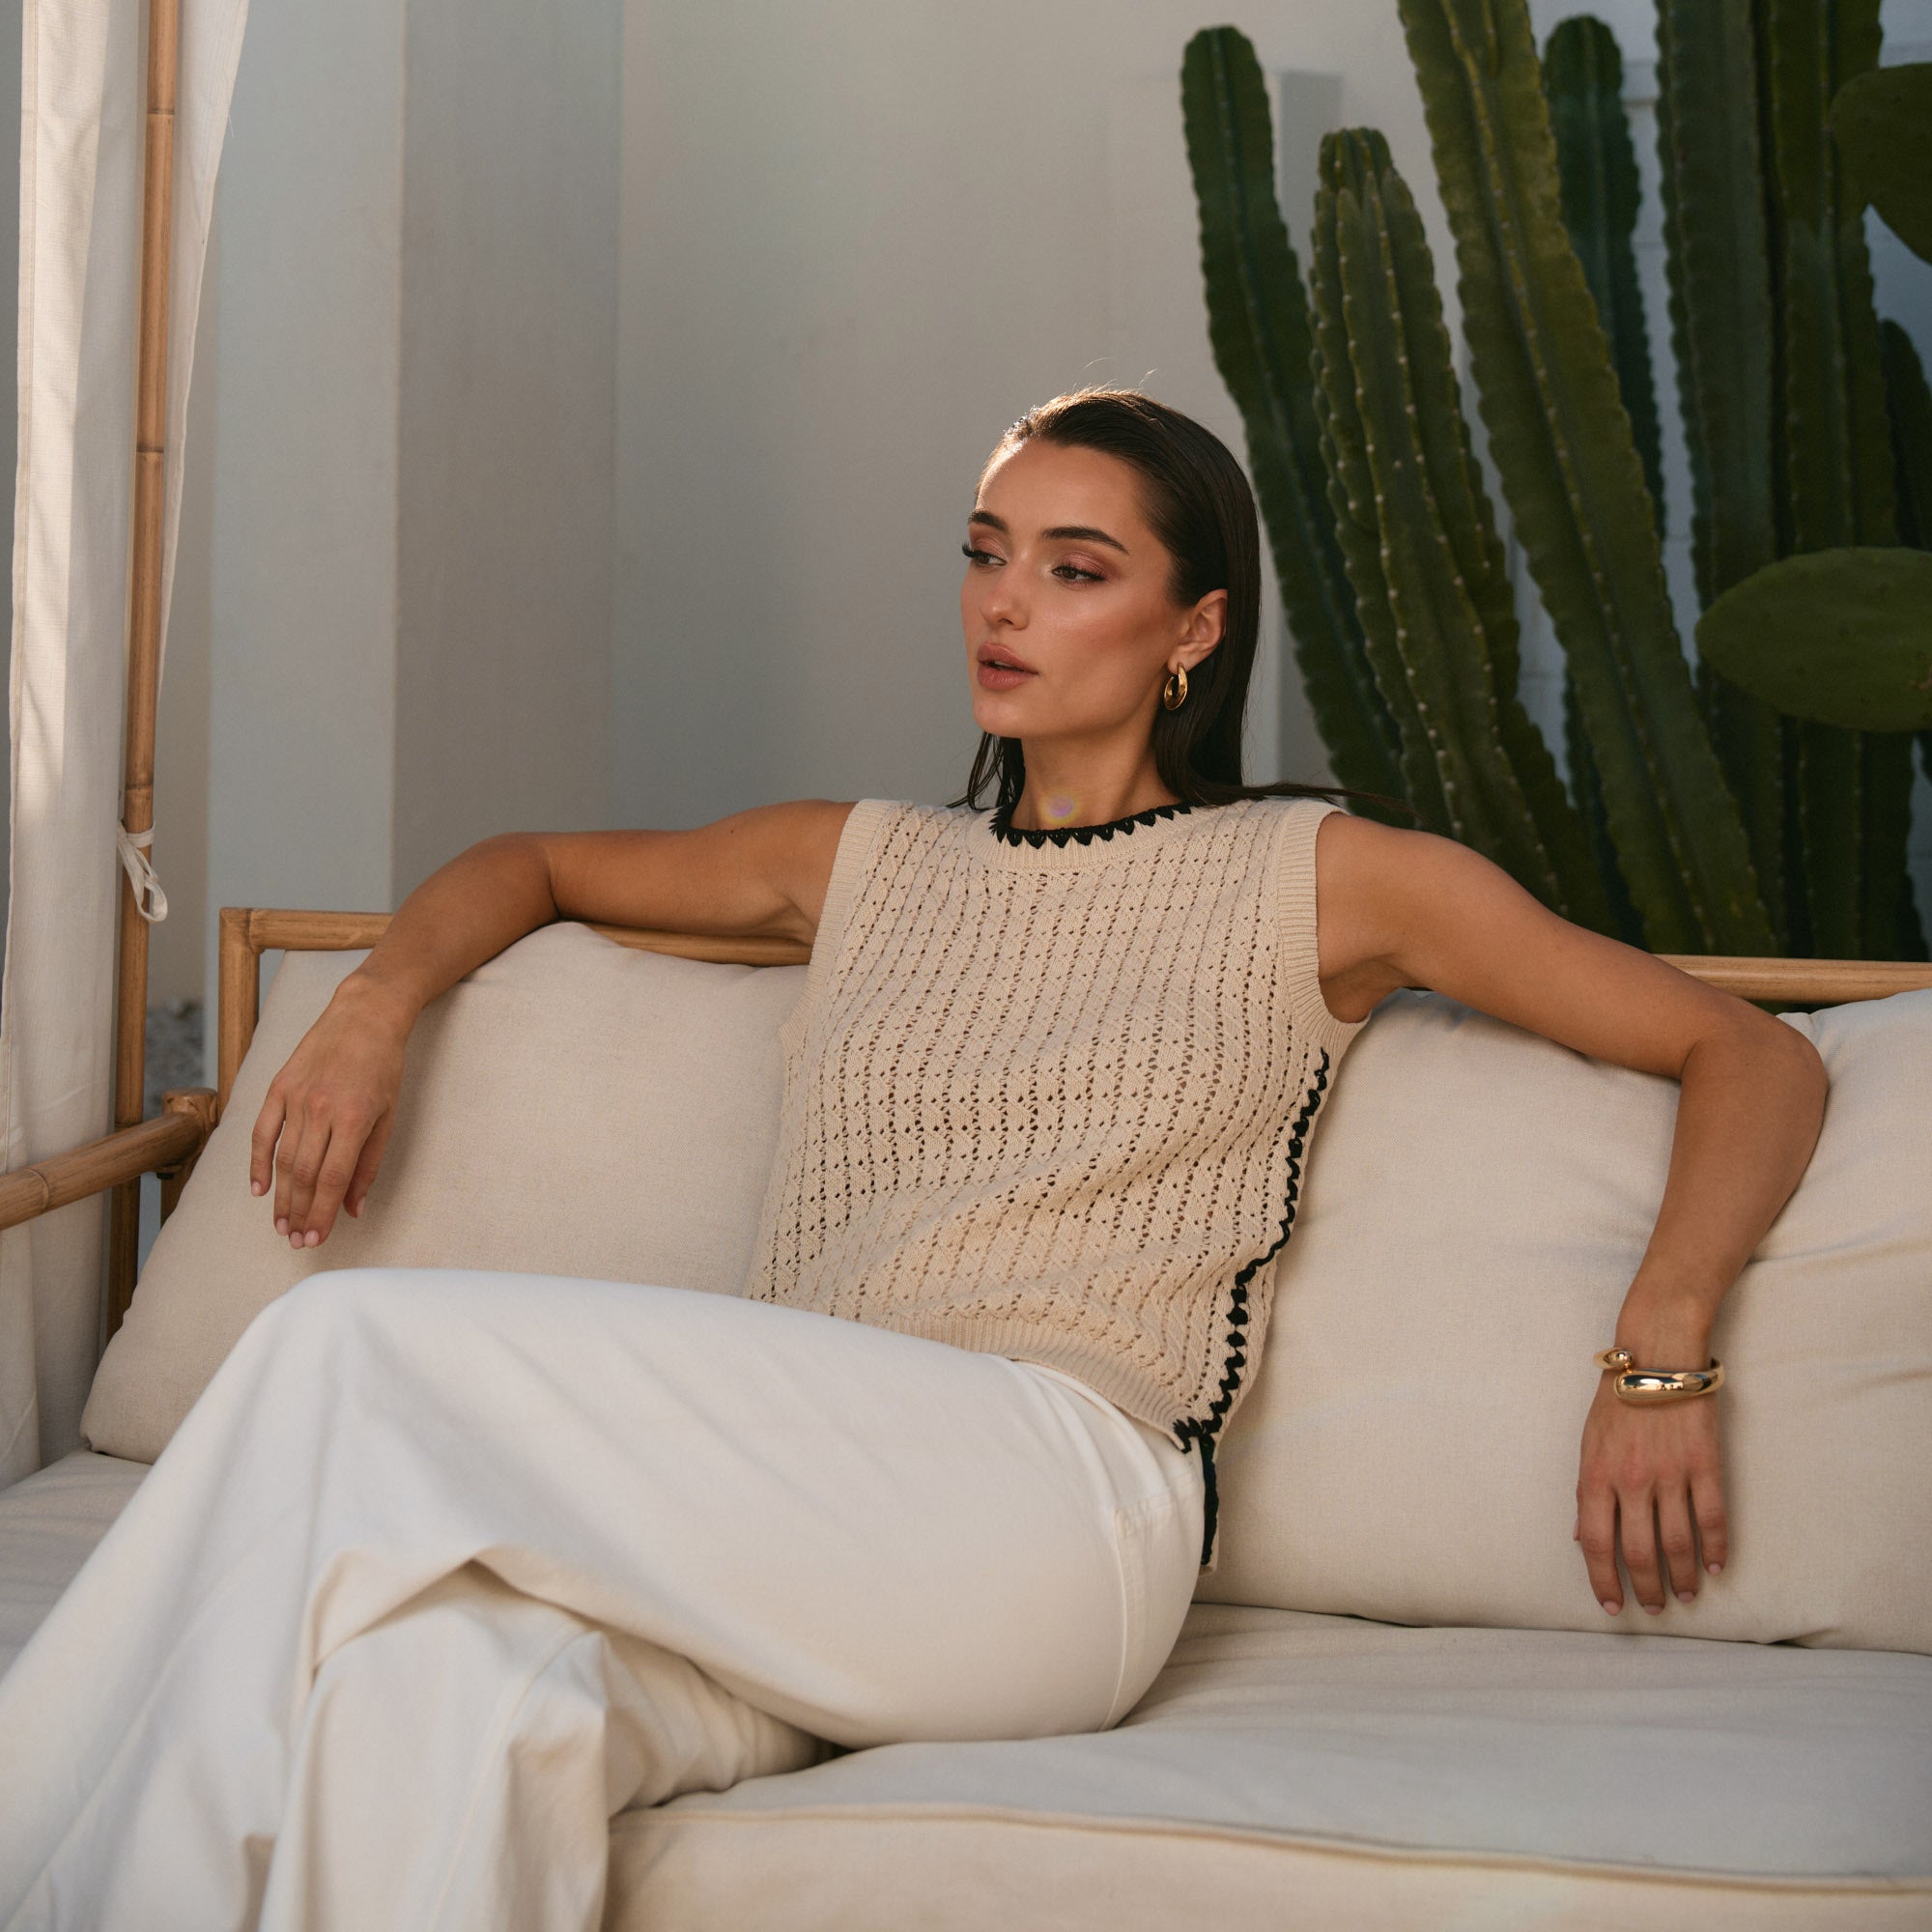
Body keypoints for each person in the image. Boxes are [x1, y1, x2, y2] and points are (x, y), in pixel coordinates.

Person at [0, 388, 1827, 1929]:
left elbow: (1744, 1054)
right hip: (799, 1529)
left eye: (1075, 569)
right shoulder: (859, 860)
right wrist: (374, 1004)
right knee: (440, 1691)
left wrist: (1659, 1349)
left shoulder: (1326, 877)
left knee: (341, 1350)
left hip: (1052, 1511)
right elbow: (531, 865)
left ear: (1193, 630)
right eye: (985, 551)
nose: (1005, 603)